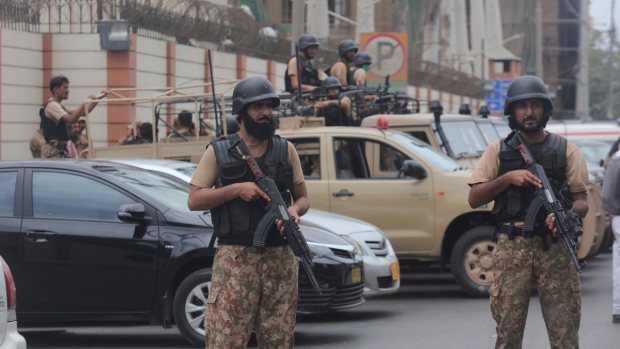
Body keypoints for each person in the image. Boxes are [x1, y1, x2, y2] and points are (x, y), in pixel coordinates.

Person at [187, 76, 309, 348]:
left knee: (279, 341)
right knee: (226, 341)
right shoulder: (218, 152)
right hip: (236, 262)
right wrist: (235, 190)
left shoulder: (285, 150)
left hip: (280, 260)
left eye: (269, 106)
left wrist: (293, 210)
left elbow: (303, 198)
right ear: (242, 111)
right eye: (258, 107)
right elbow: (194, 200)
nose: (266, 112)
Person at [467, 75, 588, 349]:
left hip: (555, 249)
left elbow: (582, 200)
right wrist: (508, 178)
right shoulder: (496, 150)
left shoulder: (568, 150)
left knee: (564, 335)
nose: (529, 112)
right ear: (512, 111)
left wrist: (566, 215)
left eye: (535, 105)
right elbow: (474, 197)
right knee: (508, 335)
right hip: (512, 248)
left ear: (546, 110)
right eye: (522, 106)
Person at [41, 75, 107, 158]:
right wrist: (84, 103)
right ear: (56, 90)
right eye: (65, 88)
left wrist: (97, 99)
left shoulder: (60, 105)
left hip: (60, 149)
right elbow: (71, 119)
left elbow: (83, 112)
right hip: (53, 151)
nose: (68, 91)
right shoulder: (52, 105)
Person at [601, 148, 620, 324]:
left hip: (617, 216)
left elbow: (606, 195)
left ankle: (618, 307)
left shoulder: (615, 158)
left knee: (618, 264)